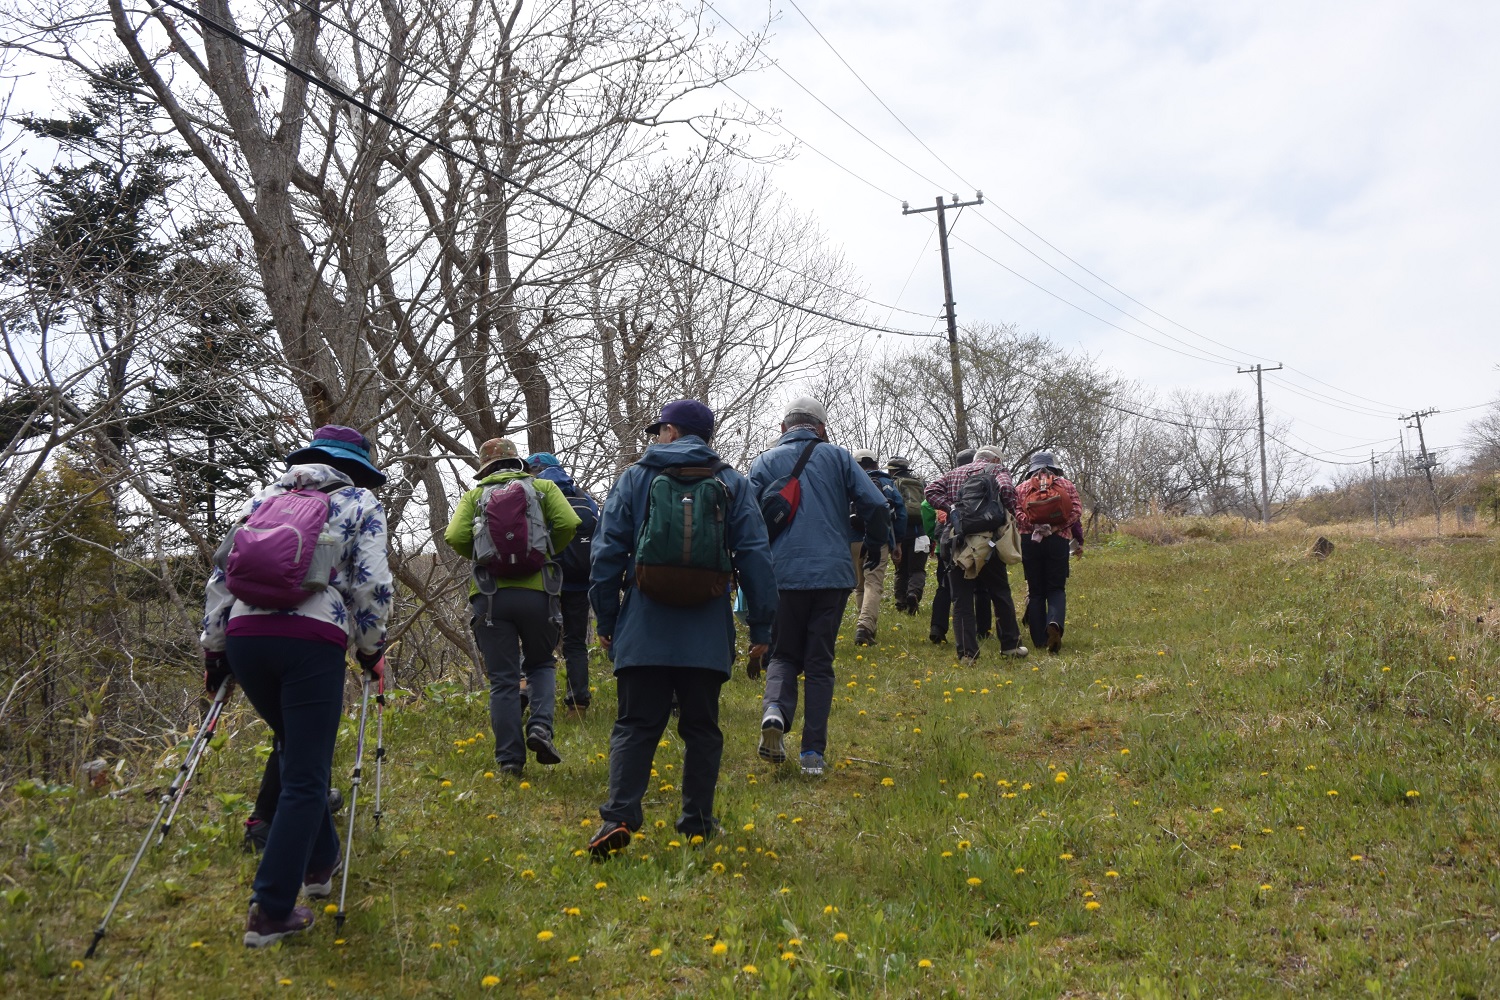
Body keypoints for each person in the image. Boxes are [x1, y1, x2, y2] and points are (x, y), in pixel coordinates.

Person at [201, 424, 393, 947]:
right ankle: (271, 910)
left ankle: (319, 860)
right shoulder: (360, 501)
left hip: (245, 636)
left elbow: (221, 574)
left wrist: (215, 649)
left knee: (294, 750)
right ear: (355, 466)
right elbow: (372, 582)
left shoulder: (266, 497)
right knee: (307, 775)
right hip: (311, 637)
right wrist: (370, 649)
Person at [587, 400, 776, 856]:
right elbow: (755, 557)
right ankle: (697, 823)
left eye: (660, 429)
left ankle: (618, 818)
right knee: (702, 728)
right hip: (706, 630)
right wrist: (762, 627)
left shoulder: (635, 478)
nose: (656, 437)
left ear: (671, 431)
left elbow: (606, 553)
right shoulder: (731, 482)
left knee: (635, 723)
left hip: (643, 626)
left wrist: (607, 620)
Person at [749, 397, 890, 776]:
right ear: (821, 428)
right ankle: (812, 754)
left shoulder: (763, 462)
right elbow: (876, 504)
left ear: (783, 429)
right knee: (819, 663)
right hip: (831, 575)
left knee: (781, 654)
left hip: (781, 574)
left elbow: (746, 518)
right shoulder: (839, 457)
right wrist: (876, 542)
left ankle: (775, 711)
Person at [445, 438, 579, 776]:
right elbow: (568, 524)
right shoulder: (544, 487)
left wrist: (486, 560)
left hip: (491, 597)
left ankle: (509, 761)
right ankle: (540, 728)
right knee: (541, 664)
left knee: (504, 680)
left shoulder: (475, 496)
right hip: (539, 594)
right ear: (517, 462)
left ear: (486, 467)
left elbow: (454, 536)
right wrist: (544, 553)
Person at [924, 446, 1027, 665]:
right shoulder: (997, 469)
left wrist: (951, 508)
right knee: (999, 592)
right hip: (988, 541)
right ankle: (1010, 646)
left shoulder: (952, 474)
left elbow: (930, 491)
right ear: (996, 459)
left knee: (961, 599)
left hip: (958, 540)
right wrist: (1012, 511)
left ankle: (967, 654)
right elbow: (1007, 489)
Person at [528, 451, 600, 714]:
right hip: (581, 582)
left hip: (545, 579)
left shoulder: (534, 494)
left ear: (535, 470)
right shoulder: (584, 498)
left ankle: (529, 696)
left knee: (537, 639)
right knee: (575, 642)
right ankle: (578, 702)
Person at [1014, 450, 1084, 654]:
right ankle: (1054, 623)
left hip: (1030, 541)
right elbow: (1076, 511)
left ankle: (1039, 640)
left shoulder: (1022, 487)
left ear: (1032, 468)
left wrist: (1035, 526)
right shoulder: (1066, 485)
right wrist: (1054, 528)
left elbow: (1016, 511)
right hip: (1058, 540)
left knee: (1036, 591)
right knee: (1056, 588)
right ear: (1054, 466)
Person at [849, 450, 907, 646]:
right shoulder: (887, 484)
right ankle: (865, 627)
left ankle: (863, 624)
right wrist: (897, 542)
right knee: (873, 583)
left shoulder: (847, 482)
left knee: (859, 585)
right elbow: (900, 512)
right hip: (877, 539)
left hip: (852, 540)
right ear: (875, 463)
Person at [925, 448, 973, 645]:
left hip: (945, 545)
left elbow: (925, 506)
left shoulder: (947, 481)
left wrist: (932, 536)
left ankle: (937, 628)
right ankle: (980, 630)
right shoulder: (977, 480)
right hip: (972, 544)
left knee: (944, 587)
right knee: (976, 589)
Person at [887, 456, 928, 614]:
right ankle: (913, 593)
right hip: (921, 533)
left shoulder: (891, 484)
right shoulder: (921, 483)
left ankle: (900, 601)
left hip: (900, 533)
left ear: (892, 470)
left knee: (901, 569)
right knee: (917, 570)